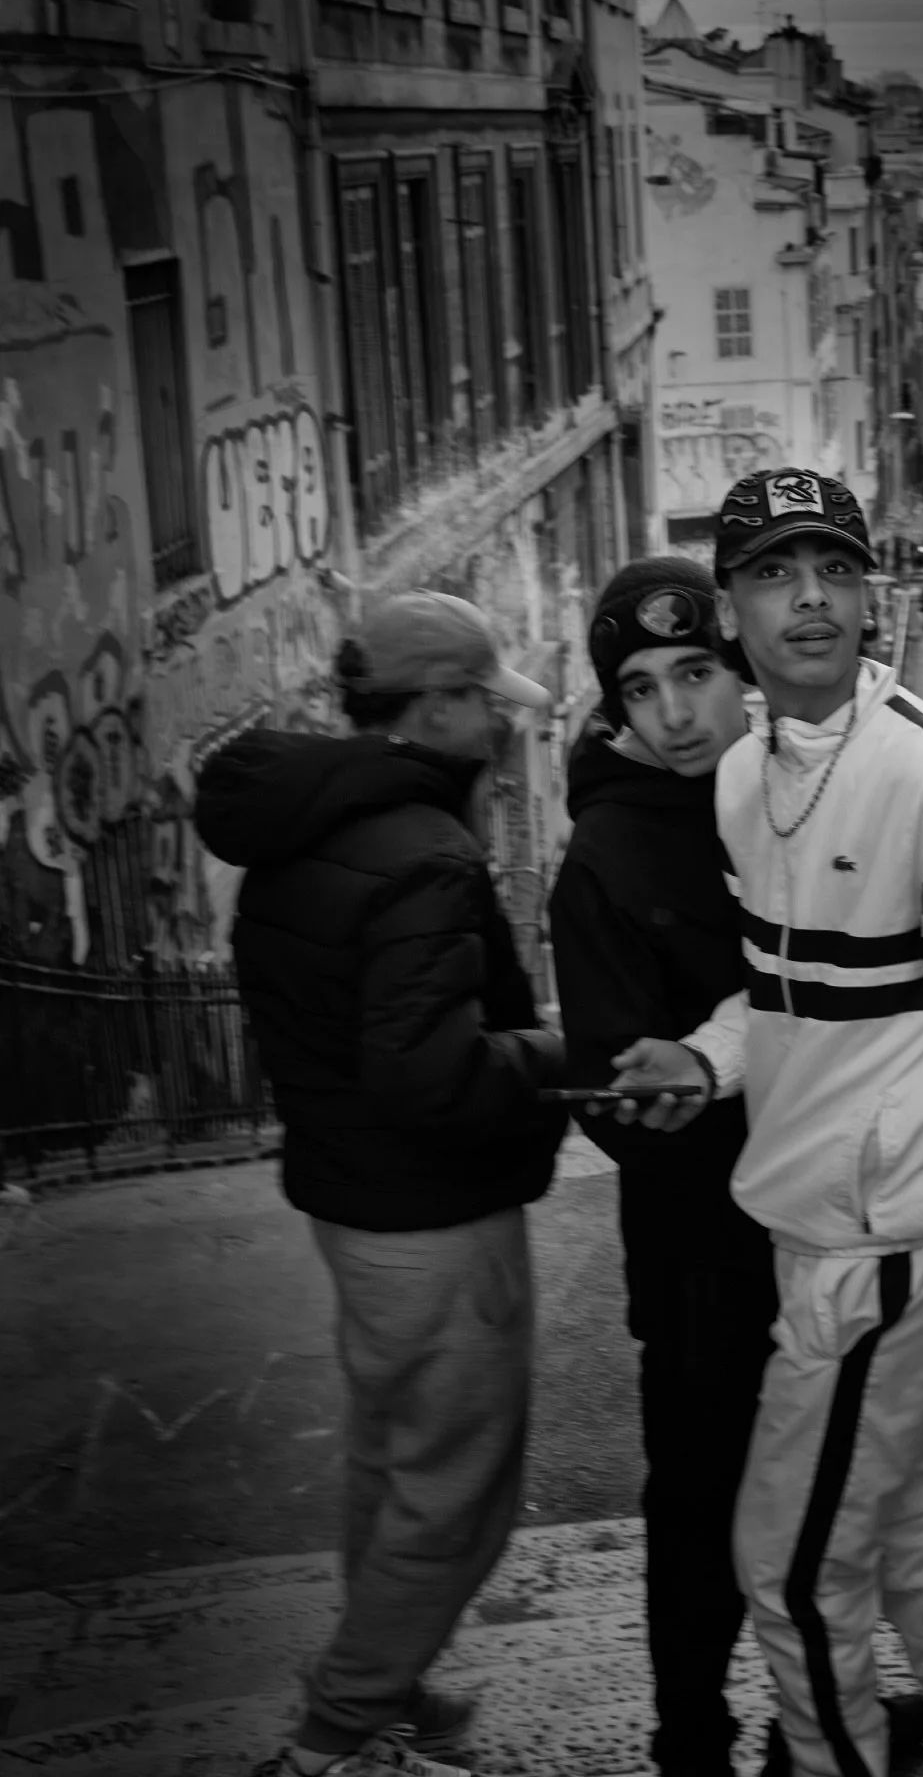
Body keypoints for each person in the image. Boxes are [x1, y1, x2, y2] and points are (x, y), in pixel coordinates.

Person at [610, 468, 923, 1777]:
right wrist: (703, 1061)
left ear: (873, 590)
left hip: (882, 1252)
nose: (808, 599)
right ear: (734, 611)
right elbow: (785, 994)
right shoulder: (749, 776)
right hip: (819, 1227)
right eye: (771, 572)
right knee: (918, 1542)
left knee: (792, 1575)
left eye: (833, 568)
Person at [194, 591, 569, 1777]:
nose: (499, 729)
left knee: (392, 1465)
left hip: (354, 1209)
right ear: (439, 706)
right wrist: (563, 1051)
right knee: (456, 1494)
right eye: (483, 705)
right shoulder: (426, 856)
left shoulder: (295, 833)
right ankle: (336, 1736)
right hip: (435, 1218)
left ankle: (392, 1703)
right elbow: (430, 1077)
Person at [547, 559, 782, 1777]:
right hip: (700, 1250)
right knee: (697, 1504)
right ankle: (691, 1733)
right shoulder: (606, 854)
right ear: (616, 710)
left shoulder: (800, 791)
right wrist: (670, 1087)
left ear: (737, 668)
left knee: (833, 1490)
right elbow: (602, 1090)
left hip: (829, 1222)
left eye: (696, 673)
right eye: (641, 690)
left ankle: (819, 1711)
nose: (676, 711)